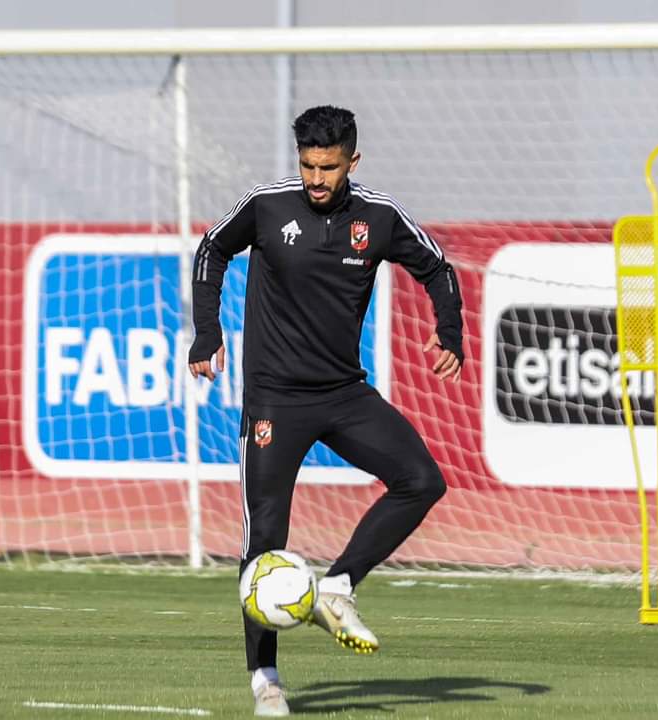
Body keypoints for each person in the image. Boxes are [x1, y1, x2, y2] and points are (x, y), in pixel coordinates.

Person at [188, 105, 464, 717]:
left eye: (329, 168)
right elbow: (210, 251)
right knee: (264, 539)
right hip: (273, 400)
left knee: (422, 480)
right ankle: (266, 681)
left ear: (352, 162)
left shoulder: (379, 216)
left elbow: (438, 269)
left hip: (343, 393)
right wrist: (207, 331)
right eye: (308, 166)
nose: (316, 179)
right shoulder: (266, 205)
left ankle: (337, 585)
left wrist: (450, 330)